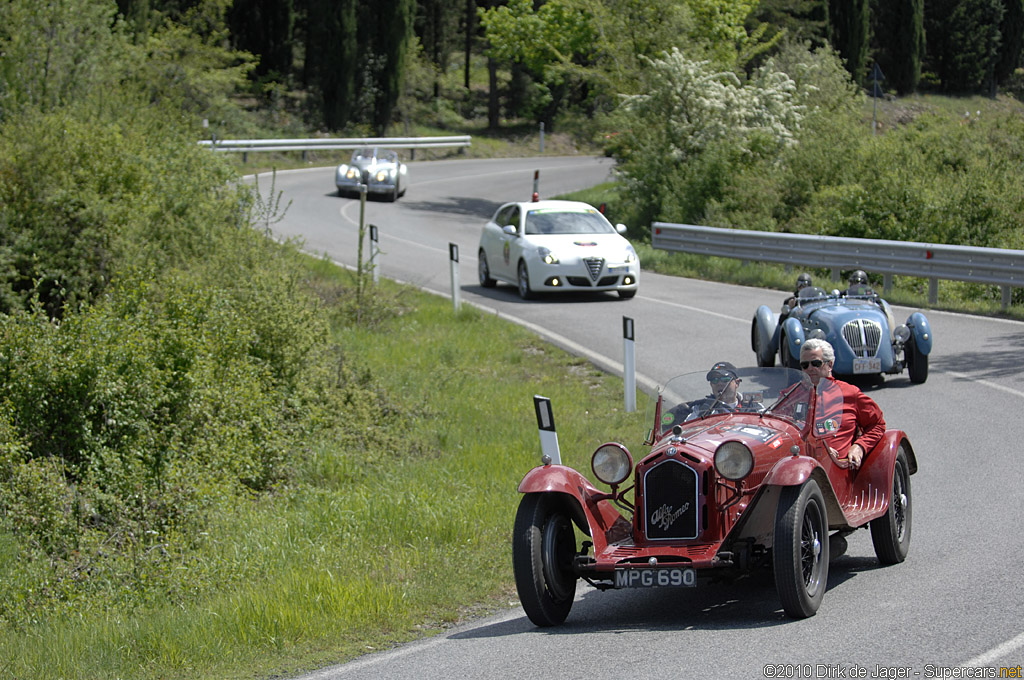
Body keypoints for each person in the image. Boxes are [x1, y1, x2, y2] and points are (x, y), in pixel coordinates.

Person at [799, 338, 885, 469]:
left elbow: (877, 424)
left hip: (837, 468)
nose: (810, 369)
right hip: (800, 462)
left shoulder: (850, 393)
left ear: (830, 365)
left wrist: (859, 446)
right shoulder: (791, 395)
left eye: (816, 363)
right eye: (805, 365)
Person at [683, 362, 762, 421]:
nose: (719, 383)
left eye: (725, 379)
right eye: (715, 380)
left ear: (737, 383)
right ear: (711, 384)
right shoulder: (701, 409)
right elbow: (688, 431)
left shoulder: (753, 406)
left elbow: (769, 425)